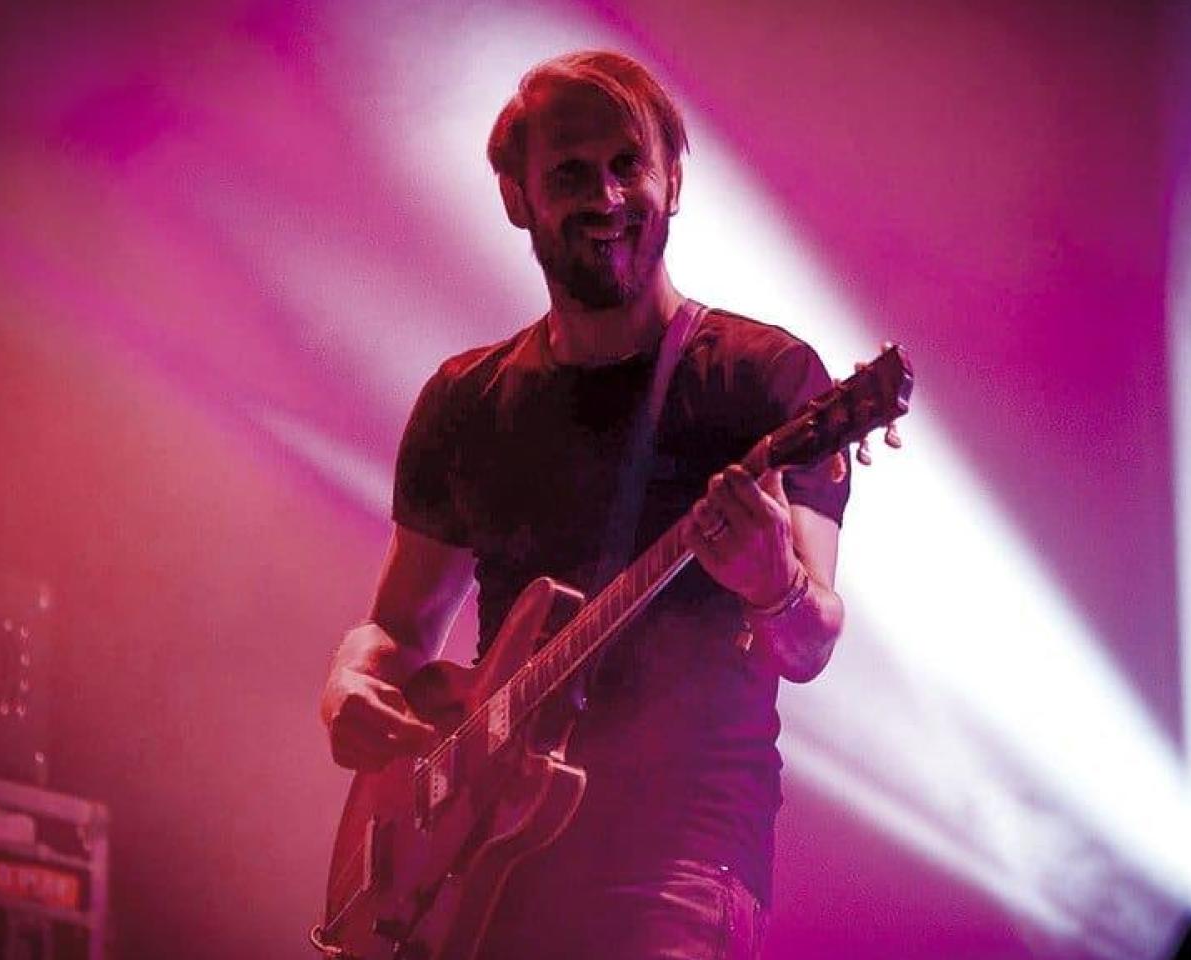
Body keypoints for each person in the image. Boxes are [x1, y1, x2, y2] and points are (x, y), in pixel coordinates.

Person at [320, 49, 850, 960]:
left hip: (676, 860)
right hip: (479, 857)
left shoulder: (764, 380)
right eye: (570, 172)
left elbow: (809, 645)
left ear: (673, 179)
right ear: (518, 199)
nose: (605, 197)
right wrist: (348, 679)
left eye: (626, 164)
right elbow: (399, 628)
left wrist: (774, 587)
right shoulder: (464, 401)